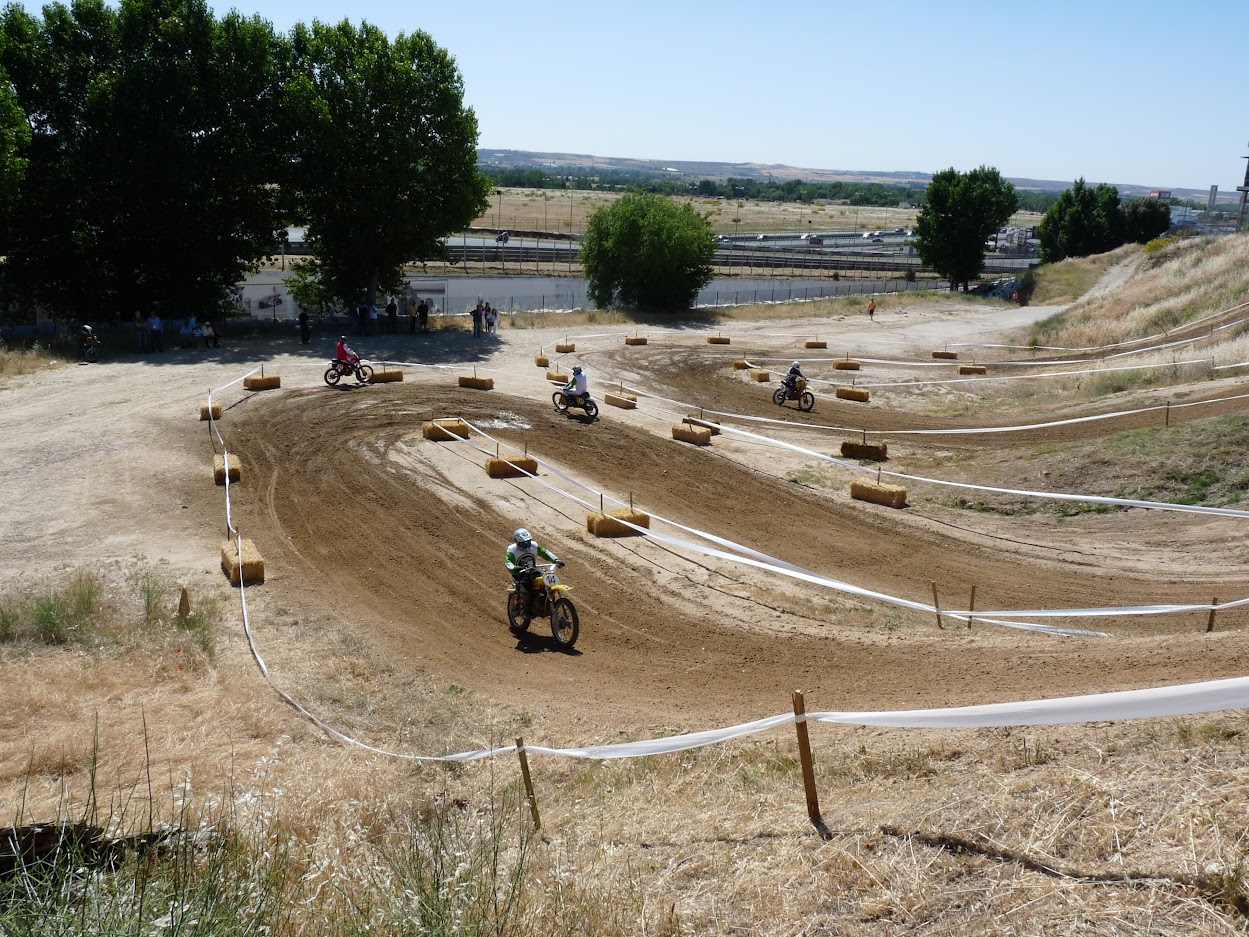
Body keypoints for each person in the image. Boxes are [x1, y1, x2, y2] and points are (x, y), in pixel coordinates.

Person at [505, 527, 562, 620]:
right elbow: (508, 562)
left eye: (528, 542)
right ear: (518, 542)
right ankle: (525, 609)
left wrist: (556, 559)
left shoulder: (534, 546)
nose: (526, 544)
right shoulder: (512, 550)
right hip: (519, 575)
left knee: (545, 583)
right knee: (526, 587)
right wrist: (514, 568)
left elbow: (545, 552)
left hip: (532, 572)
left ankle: (545, 606)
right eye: (524, 543)